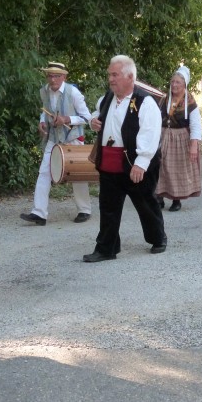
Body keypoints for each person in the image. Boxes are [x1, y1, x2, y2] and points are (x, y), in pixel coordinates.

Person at [85, 55, 167, 262]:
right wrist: (93, 121)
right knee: (108, 207)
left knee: (145, 203)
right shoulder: (107, 98)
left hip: (134, 163)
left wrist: (141, 163)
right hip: (109, 162)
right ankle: (107, 248)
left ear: (130, 77)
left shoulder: (145, 102)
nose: (110, 79)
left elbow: (150, 133)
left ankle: (158, 238)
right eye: (109, 75)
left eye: (115, 75)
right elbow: (97, 114)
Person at [20, 62, 93, 226]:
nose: (52, 79)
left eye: (56, 76)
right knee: (44, 172)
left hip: (73, 138)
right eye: (49, 75)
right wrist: (42, 122)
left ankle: (84, 210)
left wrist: (67, 119)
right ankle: (39, 213)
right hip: (53, 138)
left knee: (77, 174)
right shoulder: (44, 91)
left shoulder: (73, 92)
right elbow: (45, 111)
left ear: (64, 77)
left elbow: (88, 118)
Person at [155, 65, 202, 212]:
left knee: (178, 169)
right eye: (173, 82)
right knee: (160, 167)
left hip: (181, 138)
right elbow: (155, 118)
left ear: (184, 85)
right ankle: (159, 197)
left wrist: (194, 145)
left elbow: (196, 125)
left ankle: (177, 199)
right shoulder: (164, 99)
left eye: (178, 83)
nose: (174, 85)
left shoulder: (190, 103)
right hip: (164, 136)